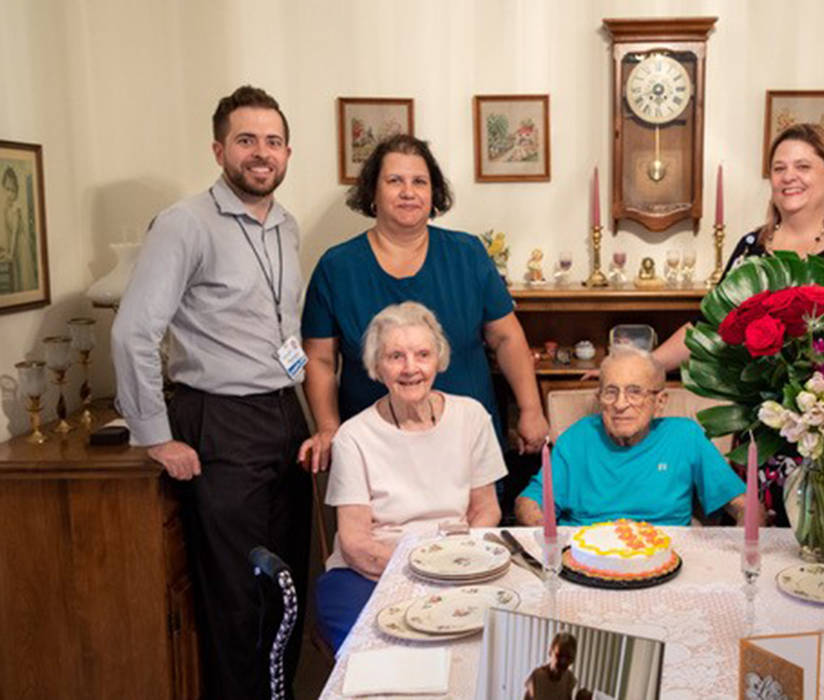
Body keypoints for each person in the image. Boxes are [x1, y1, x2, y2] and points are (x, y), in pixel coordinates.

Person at [111, 85, 311, 699]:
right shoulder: (184, 224)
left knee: (286, 585)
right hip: (221, 422)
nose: (261, 153)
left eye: (272, 142)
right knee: (238, 598)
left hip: (285, 415)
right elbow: (132, 331)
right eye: (246, 140)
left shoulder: (286, 225)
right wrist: (156, 436)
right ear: (219, 149)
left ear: (287, 152)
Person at [652, 123, 824, 551]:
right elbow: (710, 325)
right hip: (769, 437)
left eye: (803, 165)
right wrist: (647, 364)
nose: (788, 176)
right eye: (779, 168)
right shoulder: (751, 248)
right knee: (772, 562)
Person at [299, 134, 547, 474]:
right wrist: (328, 427)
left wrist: (531, 408)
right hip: (375, 450)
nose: (408, 192)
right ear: (373, 192)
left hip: (464, 447)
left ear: (433, 195)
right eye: (394, 181)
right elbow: (320, 360)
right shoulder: (337, 267)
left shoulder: (468, 254)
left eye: (419, 181)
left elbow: (507, 338)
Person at [315, 301, 506, 650]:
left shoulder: (472, 417)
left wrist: (457, 565)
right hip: (369, 573)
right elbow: (356, 543)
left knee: (501, 639)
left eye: (422, 354)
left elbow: (486, 510)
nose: (410, 368)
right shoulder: (353, 437)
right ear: (376, 366)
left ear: (439, 360)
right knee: (378, 652)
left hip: (456, 563)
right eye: (395, 356)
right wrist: (426, 570)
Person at [515, 346, 745, 526]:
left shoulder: (686, 436)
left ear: (660, 402)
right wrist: (540, 525)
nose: (620, 404)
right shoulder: (576, 438)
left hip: (663, 555)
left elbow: (740, 503)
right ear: (599, 398)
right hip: (587, 555)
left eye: (635, 392)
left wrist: (748, 525)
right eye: (611, 392)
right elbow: (530, 501)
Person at [524, 633, 591, 700]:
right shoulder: (536, 677)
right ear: (550, 651)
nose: (563, 661)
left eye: (568, 657)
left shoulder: (569, 679)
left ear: (572, 659)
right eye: (559, 655)